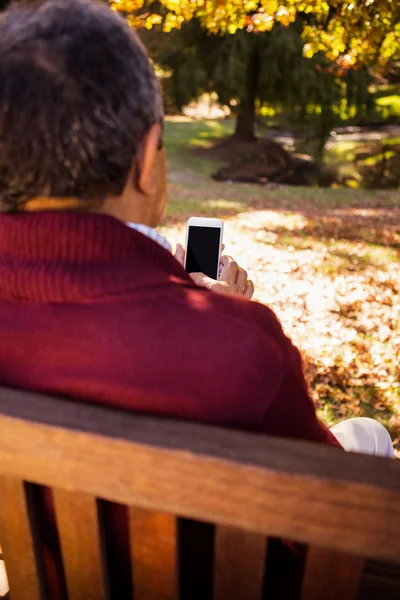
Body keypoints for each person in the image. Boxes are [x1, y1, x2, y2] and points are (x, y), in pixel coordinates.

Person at [0, 0, 393, 598]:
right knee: (368, 438)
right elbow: (327, 522)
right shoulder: (239, 349)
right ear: (147, 155)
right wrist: (219, 314)